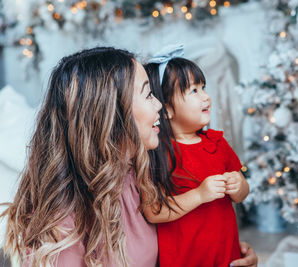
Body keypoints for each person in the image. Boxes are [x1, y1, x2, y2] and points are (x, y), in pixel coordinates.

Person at [1, 47, 257, 267]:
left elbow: (178, 240)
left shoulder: (141, 174)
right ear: (111, 114)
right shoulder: (65, 218)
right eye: (148, 94)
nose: (159, 105)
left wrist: (228, 253)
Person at [144, 45, 251, 267]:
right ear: (166, 110)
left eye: (203, 88)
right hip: (185, 259)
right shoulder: (159, 151)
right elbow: (155, 211)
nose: (206, 97)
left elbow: (241, 195)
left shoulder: (217, 142)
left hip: (225, 254)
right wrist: (200, 195)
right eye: (194, 91)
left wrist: (239, 185)